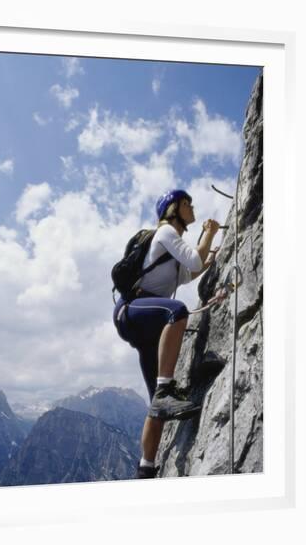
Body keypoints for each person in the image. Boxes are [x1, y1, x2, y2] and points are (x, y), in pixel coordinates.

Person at [112, 189, 220, 478]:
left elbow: (188, 273)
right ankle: (166, 388)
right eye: (188, 204)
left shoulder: (170, 244)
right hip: (133, 310)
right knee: (177, 311)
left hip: (142, 323)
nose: (192, 207)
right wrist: (209, 234)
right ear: (174, 209)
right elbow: (195, 261)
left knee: (157, 408)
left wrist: (209, 259)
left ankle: (146, 469)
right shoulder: (165, 233)